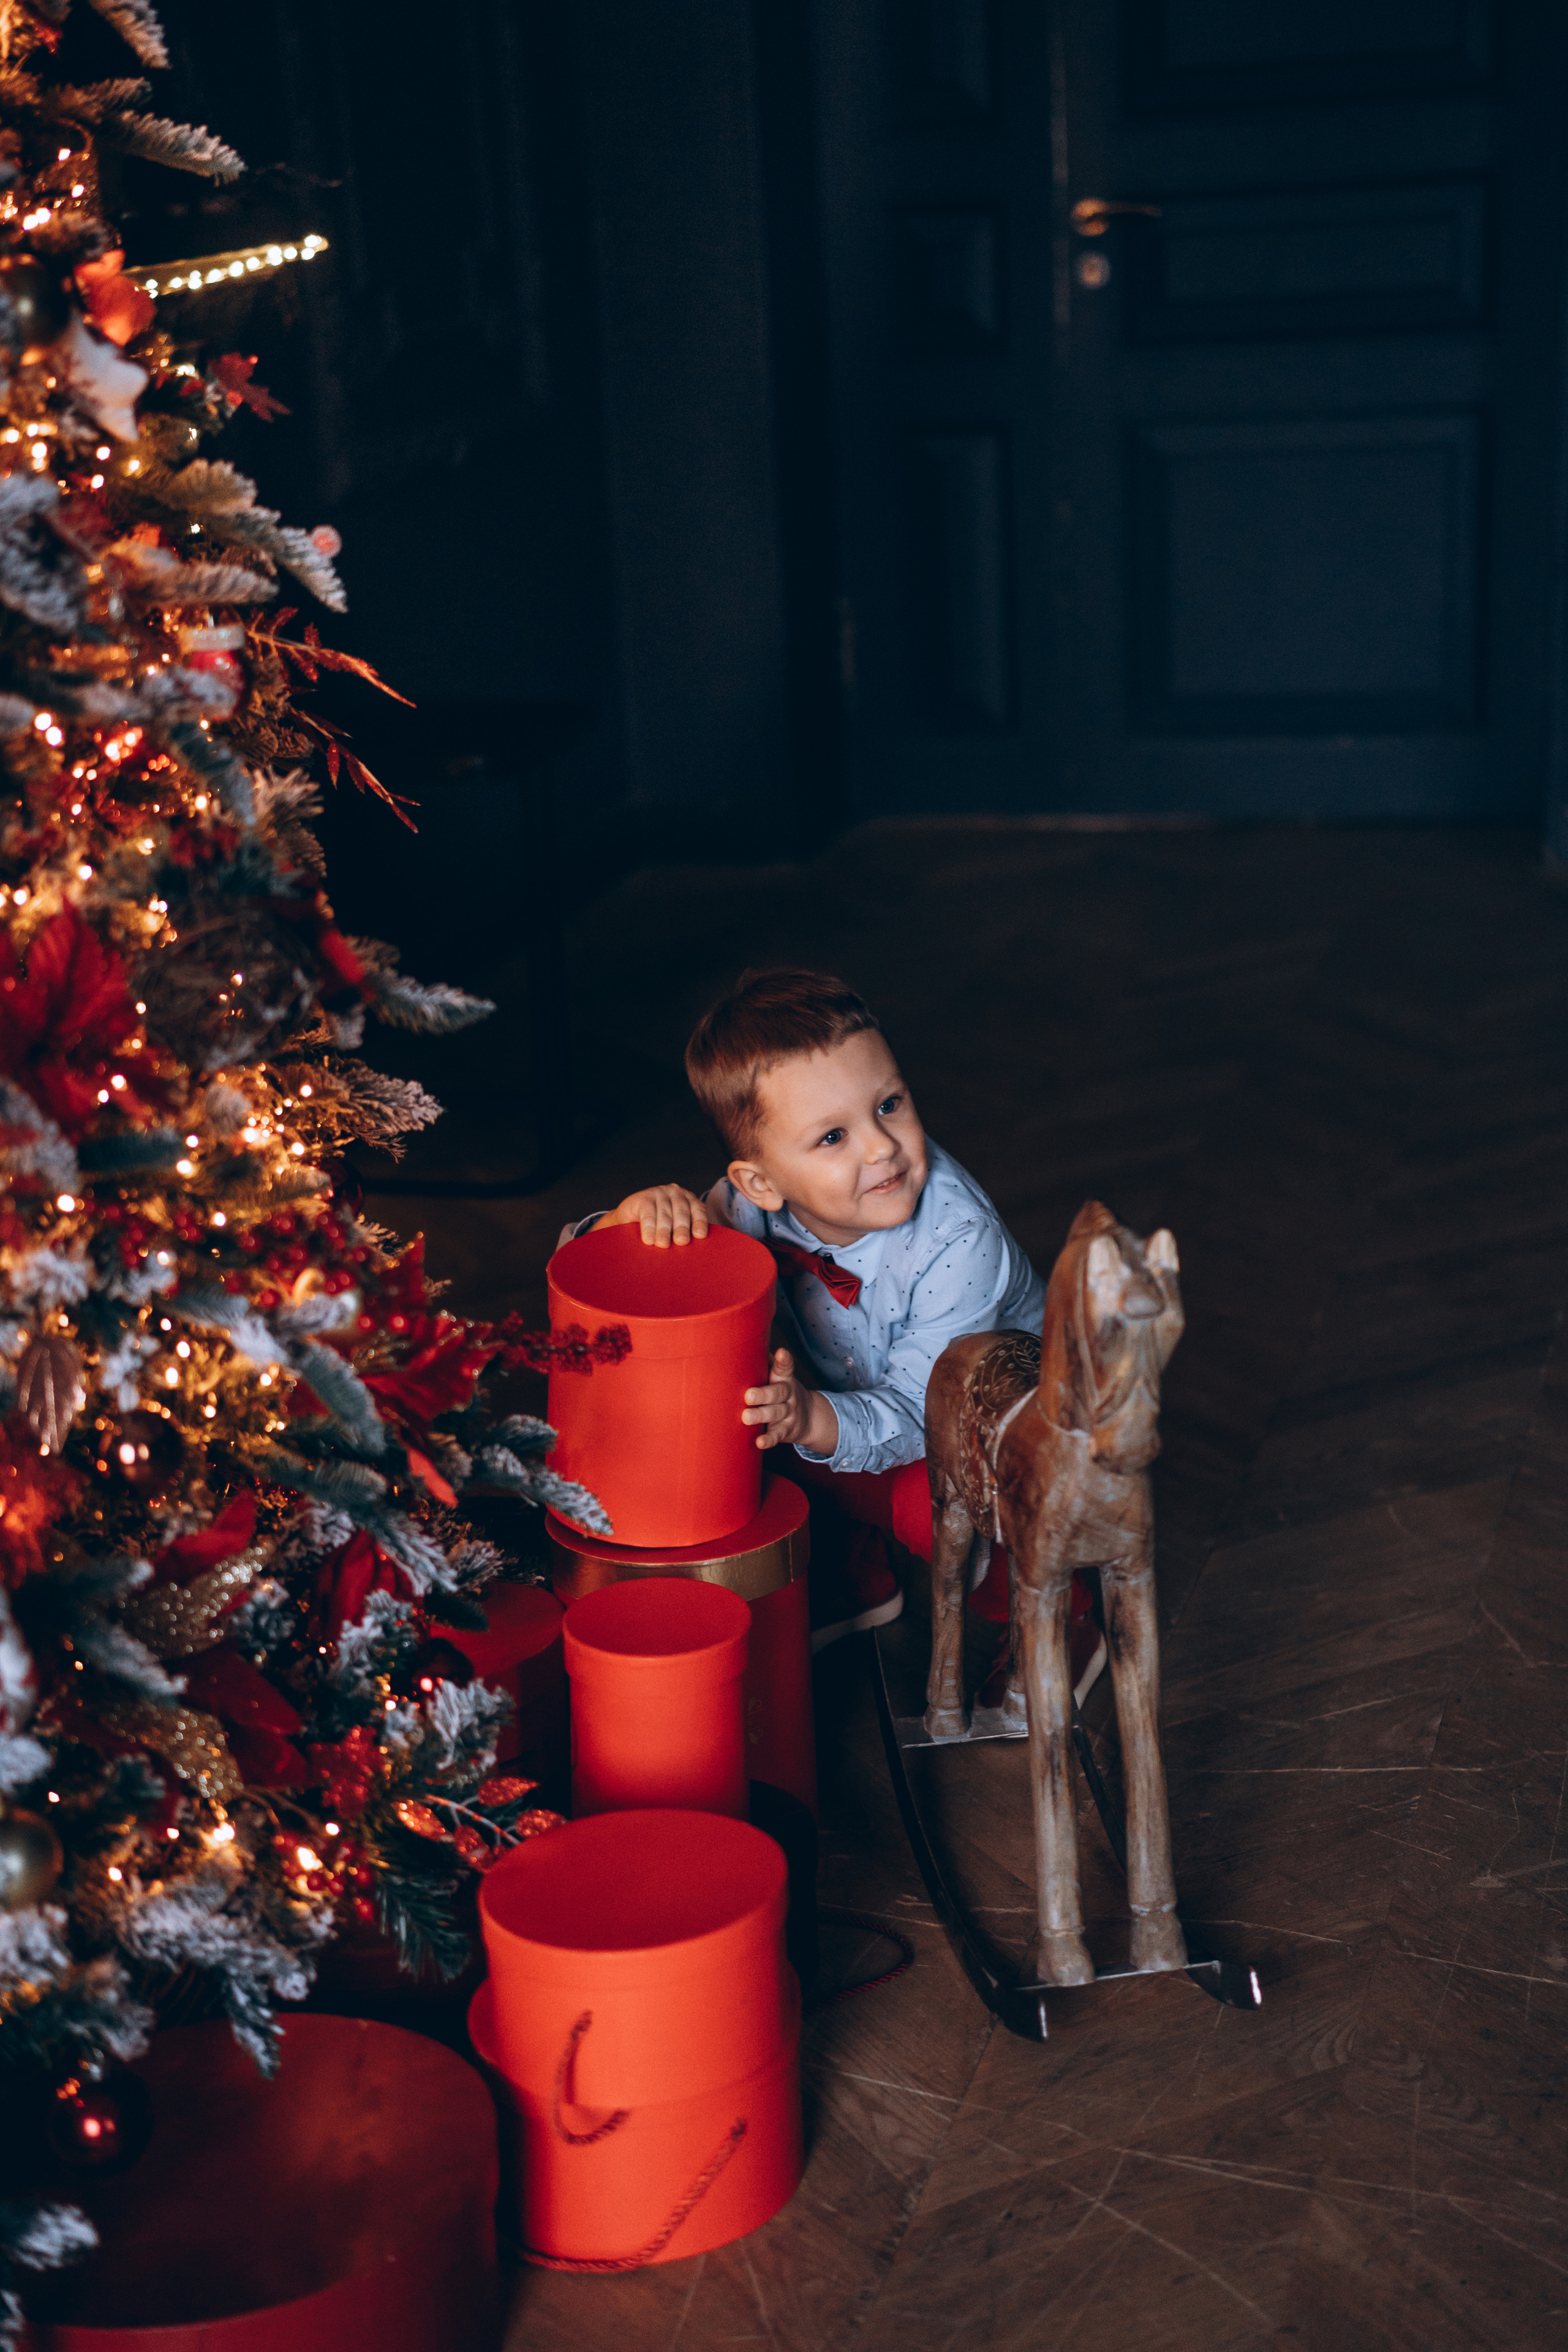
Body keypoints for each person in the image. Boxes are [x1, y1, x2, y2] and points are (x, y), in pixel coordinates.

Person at [561, 968, 1104, 1694]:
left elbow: (924, 1416)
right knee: (742, 1423)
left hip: (990, 1426)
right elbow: (654, 1276)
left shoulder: (959, 1241)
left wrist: (814, 1418)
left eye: (889, 1105)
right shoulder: (745, 1209)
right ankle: (855, 1575)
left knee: (935, 1503)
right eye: (832, 1136)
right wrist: (627, 1223)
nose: (880, 1148)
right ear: (760, 1184)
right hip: (859, 1399)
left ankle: (1055, 1614)